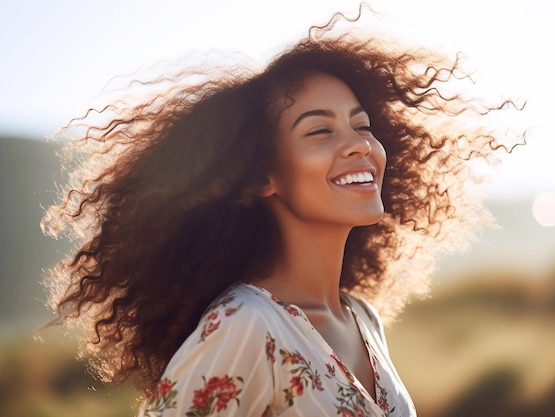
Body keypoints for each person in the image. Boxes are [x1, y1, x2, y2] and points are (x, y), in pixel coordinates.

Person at [41, 8, 521, 417]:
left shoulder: (362, 319)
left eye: (362, 125)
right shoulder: (244, 325)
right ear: (260, 176)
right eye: (319, 132)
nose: (359, 146)